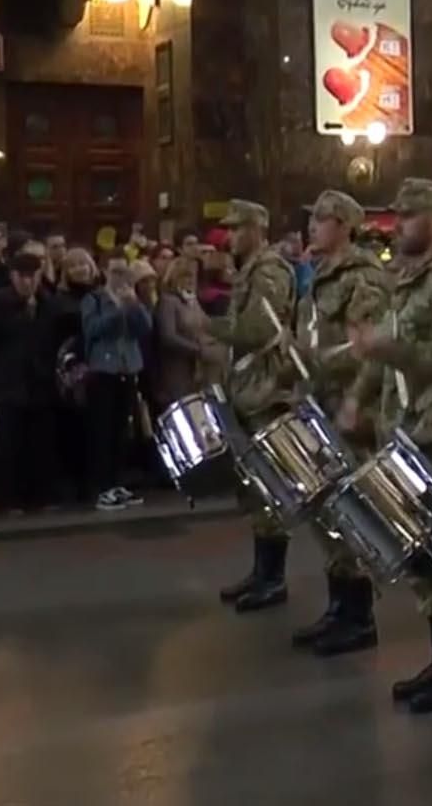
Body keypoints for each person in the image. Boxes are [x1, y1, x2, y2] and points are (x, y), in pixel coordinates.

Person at [342, 178, 432, 713]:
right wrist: (360, 395)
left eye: (409, 216)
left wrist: (393, 349)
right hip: (402, 430)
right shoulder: (406, 280)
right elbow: (383, 353)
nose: (398, 224)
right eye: (396, 215)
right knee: (421, 555)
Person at [286, 190, 391, 657]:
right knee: (326, 511)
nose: (314, 226)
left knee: (351, 511)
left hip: (348, 408)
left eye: (324, 219)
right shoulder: (320, 276)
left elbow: (367, 351)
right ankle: (339, 606)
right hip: (319, 403)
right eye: (313, 218)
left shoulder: (363, 277)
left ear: (346, 225)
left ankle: (359, 615)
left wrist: (353, 400)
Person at [208, 199, 297, 612]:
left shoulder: (270, 270)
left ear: (258, 229)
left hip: (267, 392)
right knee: (253, 490)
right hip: (247, 388)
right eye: (230, 228)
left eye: (238, 228)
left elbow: (260, 329)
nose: (231, 236)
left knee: (269, 489)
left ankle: (273, 578)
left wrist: (208, 326)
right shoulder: (248, 272)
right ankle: (262, 572)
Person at [0, 252, 64, 511]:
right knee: (11, 444)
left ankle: (41, 494)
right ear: (12, 277)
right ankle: (11, 497)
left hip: (40, 382)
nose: (27, 283)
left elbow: (54, 338)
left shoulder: (47, 303)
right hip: (9, 382)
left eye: (32, 277)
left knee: (40, 441)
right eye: (21, 277)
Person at [80, 257, 153, 511]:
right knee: (103, 431)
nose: (120, 276)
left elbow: (145, 328)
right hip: (103, 371)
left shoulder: (131, 298)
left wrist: (133, 306)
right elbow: (92, 330)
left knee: (122, 430)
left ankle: (117, 482)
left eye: (125, 271)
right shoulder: (95, 300)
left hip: (128, 369)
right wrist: (118, 309)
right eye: (116, 271)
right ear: (105, 271)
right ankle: (102, 487)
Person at [152, 255, 215, 409]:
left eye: (194, 276)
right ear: (175, 276)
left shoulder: (193, 301)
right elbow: (168, 337)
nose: (191, 280)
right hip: (175, 372)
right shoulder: (168, 302)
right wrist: (199, 350)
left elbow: (208, 325)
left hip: (196, 372)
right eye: (187, 275)